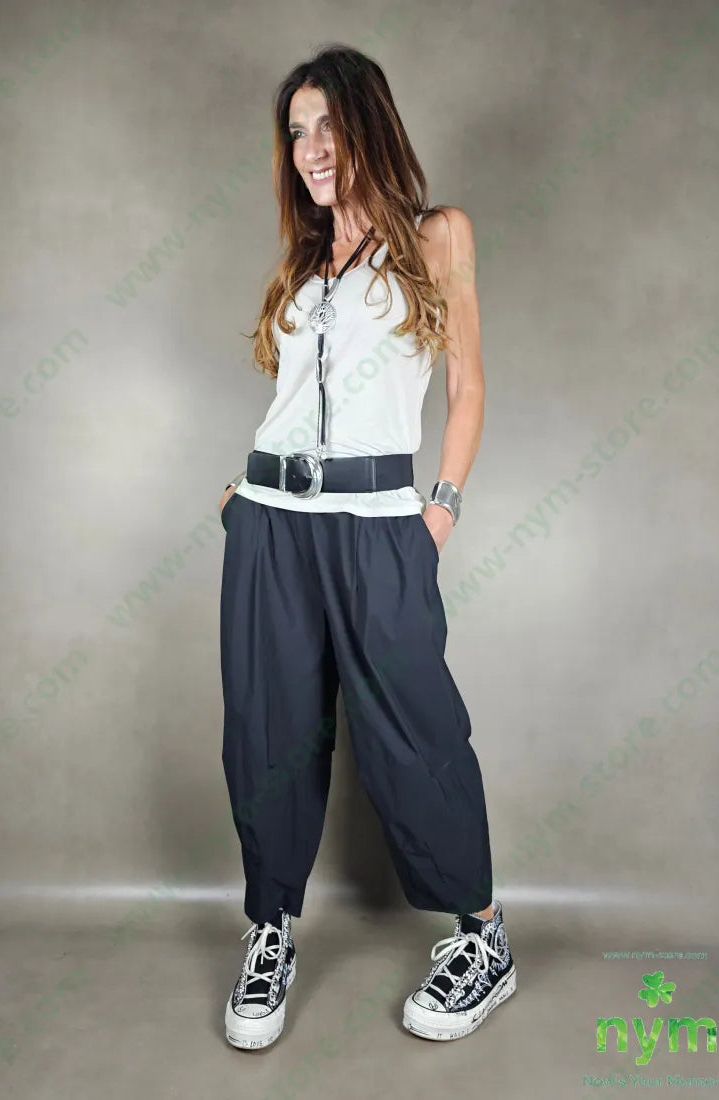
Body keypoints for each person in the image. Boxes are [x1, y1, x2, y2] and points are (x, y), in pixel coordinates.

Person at [218, 44, 516, 1051]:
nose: (310, 148)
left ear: (368, 125)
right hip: (270, 520)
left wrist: (440, 511)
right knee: (268, 731)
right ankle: (270, 930)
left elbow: (467, 385)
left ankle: (482, 934)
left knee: (414, 731)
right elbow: (290, 401)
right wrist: (244, 498)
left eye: (328, 126)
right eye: (296, 132)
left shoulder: (438, 236)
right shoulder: (302, 262)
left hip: (381, 523)